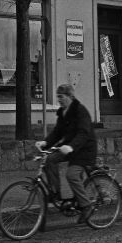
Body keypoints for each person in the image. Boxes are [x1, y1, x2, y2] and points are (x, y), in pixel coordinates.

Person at [35, 83, 97, 223]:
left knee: (72, 175)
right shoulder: (63, 112)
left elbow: (84, 133)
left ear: (70, 96)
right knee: (49, 160)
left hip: (84, 150)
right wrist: (45, 143)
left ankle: (86, 206)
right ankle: (56, 193)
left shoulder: (80, 111)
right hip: (69, 147)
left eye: (61, 97)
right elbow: (57, 132)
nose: (59, 100)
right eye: (58, 97)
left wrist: (71, 147)